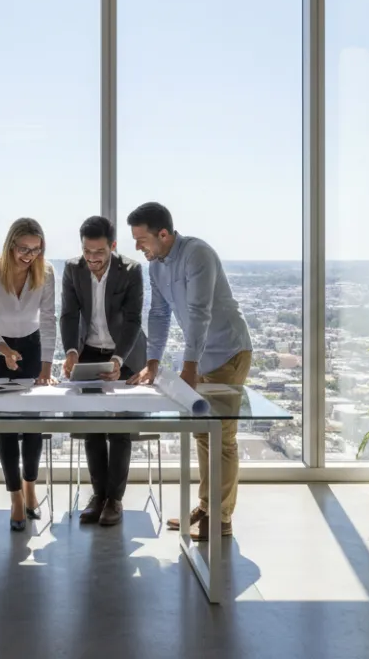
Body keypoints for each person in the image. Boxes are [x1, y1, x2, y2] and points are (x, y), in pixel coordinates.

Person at [126, 202, 252, 541]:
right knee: (202, 433)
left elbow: (199, 313)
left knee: (221, 436)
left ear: (163, 234)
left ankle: (221, 519)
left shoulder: (198, 254)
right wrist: (152, 361)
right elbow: (158, 313)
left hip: (227, 352)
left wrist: (189, 367)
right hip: (200, 357)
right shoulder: (156, 266)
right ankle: (207, 506)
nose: (137, 246)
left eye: (141, 240)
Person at [60, 215, 146, 527]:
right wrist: (71, 351)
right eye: (87, 251)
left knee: (120, 429)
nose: (92, 258)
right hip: (89, 351)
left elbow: (133, 319)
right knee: (92, 426)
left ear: (112, 246)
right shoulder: (73, 269)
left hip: (124, 353)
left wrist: (119, 358)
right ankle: (98, 496)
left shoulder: (131, 270)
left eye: (99, 252)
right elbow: (69, 315)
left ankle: (114, 499)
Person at [0, 217, 57, 531]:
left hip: (32, 349)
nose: (29, 255)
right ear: (10, 245)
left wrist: (47, 366)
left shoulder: (46, 272)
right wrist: (4, 350)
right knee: (7, 428)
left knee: (33, 426)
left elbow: (48, 319)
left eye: (36, 249)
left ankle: (30, 488)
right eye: (24, 248)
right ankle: (15, 499)